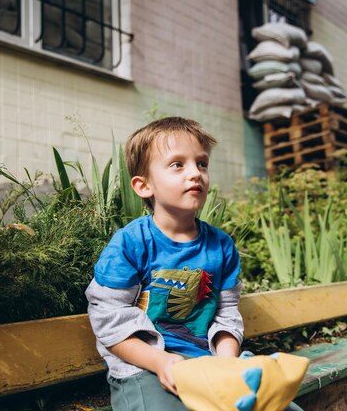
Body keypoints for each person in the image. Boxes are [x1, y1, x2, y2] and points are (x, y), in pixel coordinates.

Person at [85, 117, 304, 411]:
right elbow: (109, 320)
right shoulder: (130, 244)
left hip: (207, 367)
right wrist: (160, 361)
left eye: (201, 164)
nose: (195, 174)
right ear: (143, 185)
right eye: (178, 165)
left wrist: (227, 367)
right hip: (144, 369)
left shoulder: (221, 246)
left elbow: (226, 315)